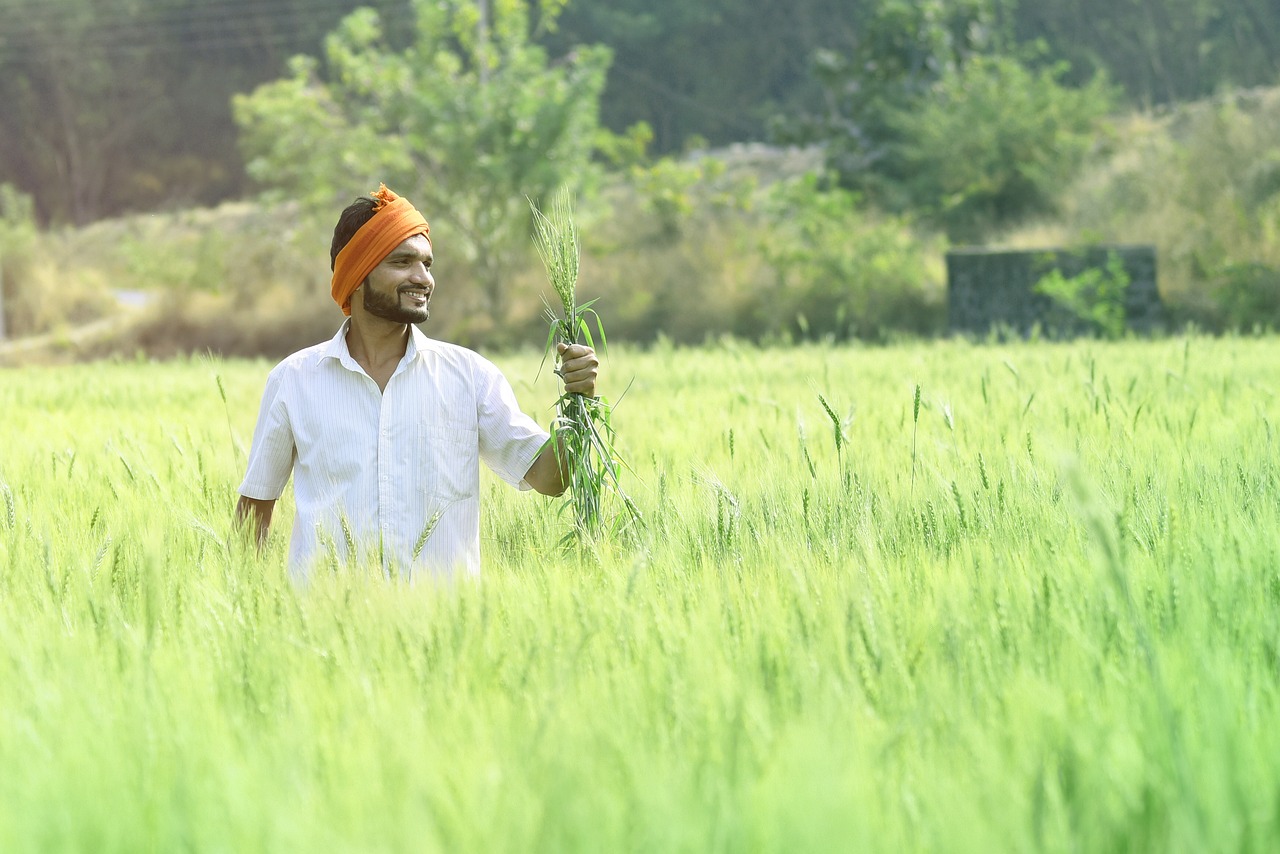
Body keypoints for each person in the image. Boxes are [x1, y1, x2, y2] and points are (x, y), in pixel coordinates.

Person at [233, 184, 598, 581]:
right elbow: (254, 511)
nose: (423, 278)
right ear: (357, 274)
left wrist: (578, 403)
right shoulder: (294, 380)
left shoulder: (470, 377)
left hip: (443, 632)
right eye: (402, 262)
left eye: (428, 264)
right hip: (325, 628)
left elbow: (549, 478)